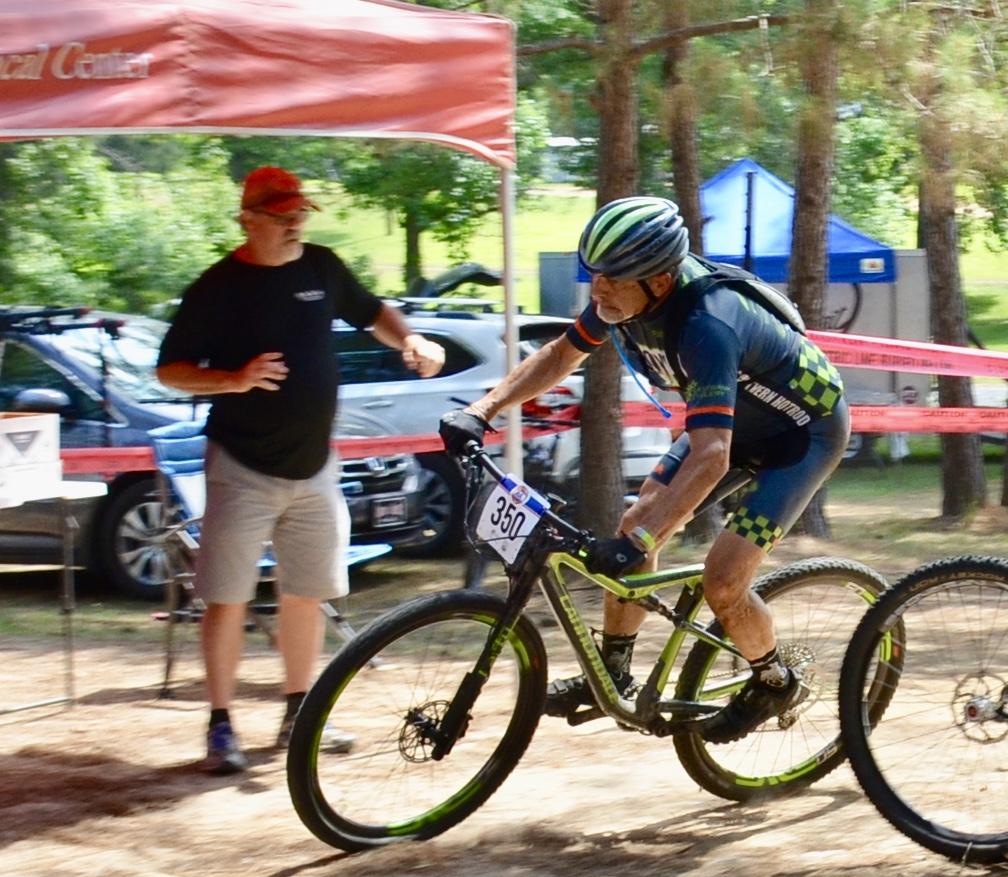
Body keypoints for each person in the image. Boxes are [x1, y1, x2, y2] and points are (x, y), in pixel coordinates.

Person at [440, 196, 850, 744]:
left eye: (611, 279)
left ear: (659, 279)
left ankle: (774, 680)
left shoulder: (707, 323)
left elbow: (711, 457)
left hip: (802, 436)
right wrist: (480, 410)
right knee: (635, 522)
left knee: (722, 580)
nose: (597, 290)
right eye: (594, 276)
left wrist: (641, 541)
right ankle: (611, 671)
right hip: (738, 427)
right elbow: (562, 355)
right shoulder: (625, 297)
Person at [157, 165, 446, 775]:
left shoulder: (321, 266)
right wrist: (232, 380)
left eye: (300, 214)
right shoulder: (217, 286)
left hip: (315, 467)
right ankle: (220, 726)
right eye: (282, 215)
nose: (295, 224)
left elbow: (372, 312)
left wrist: (411, 341)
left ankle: (299, 713)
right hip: (241, 465)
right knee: (226, 599)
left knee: (305, 594)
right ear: (248, 219)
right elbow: (170, 371)